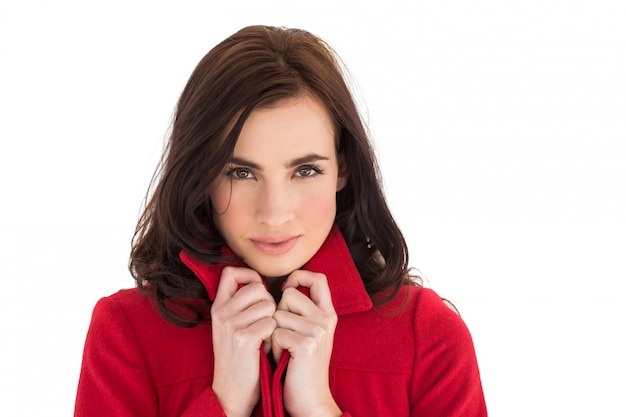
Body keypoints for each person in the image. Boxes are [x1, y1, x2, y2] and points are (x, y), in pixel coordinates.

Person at [74, 25, 487, 417]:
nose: (274, 213)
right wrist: (225, 399)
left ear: (342, 168)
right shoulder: (126, 333)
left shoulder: (429, 336)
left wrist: (317, 406)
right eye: (241, 172)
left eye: (306, 171)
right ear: (202, 175)